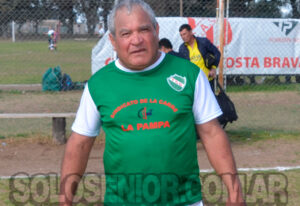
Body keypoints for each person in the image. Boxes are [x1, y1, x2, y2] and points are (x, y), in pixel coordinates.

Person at [59, 0, 245, 206]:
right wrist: (65, 199)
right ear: (112, 40)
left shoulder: (189, 74)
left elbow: (212, 133)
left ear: (156, 31)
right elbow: (80, 144)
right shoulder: (99, 84)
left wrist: (234, 191)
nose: (136, 40)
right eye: (126, 33)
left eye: (144, 29)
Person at [178, 24, 221, 92]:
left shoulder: (203, 42)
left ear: (191, 32)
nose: (183, 37)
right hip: (193, 83)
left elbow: (217, 53)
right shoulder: (182, 48)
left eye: (184, 34)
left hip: (208, 80)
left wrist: (213, 68)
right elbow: (183, 65)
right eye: (181, 35)